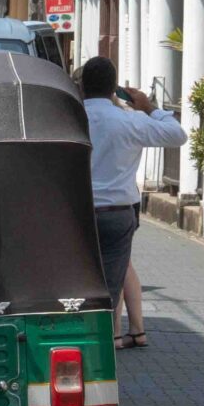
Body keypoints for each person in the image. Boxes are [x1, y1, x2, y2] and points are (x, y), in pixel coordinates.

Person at [80, 56, 184, 348]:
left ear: (82, 85)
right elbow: (178, 135)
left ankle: (82, 334)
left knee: (77, 277)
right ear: (114, 88)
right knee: (113, 281)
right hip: (117, 212)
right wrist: (148, 107)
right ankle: (105, 341)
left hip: (76, 213)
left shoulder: (69, 116)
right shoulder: (130, 120)